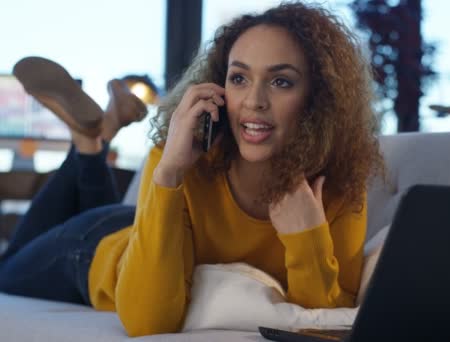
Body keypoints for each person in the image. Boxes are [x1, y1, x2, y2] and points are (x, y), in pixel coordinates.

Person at [0, 2, 385, 337]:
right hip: (93, 251)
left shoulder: (340, 185)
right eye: (239, 78)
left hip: (143, 226)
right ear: (219, 87)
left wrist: (307, 237)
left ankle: (91, 142)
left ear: (319, 97)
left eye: (281, 81)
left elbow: (327, 324)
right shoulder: (183, 157)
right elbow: (147, 324)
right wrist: (167, 174)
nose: (254, 101)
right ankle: (89, 145)